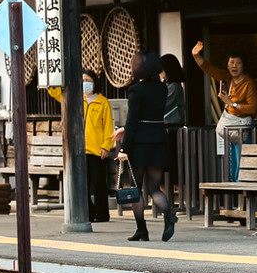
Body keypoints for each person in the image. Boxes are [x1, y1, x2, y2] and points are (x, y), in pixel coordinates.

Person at [114, 51, 174, 241]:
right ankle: (168, 215)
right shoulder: (162, 89)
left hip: (139, 144)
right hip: (158, 140)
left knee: (135, 188)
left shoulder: (135, 90)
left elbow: (133, 122)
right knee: (155, 188)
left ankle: (142, 229)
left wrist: (123, 149)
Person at [47, 69, 114, 222]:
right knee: (81, 185)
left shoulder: (102, 102)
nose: (84, 83)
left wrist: (106, 145)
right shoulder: (75, 98)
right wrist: (54, 76)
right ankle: (89, 213)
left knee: (98, 185)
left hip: (97, 150)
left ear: (94, 82)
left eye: (87, 80)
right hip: (79, 150)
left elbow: (108, 126)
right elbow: (55, 93)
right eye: (82, 80)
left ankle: (103, 215)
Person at [191, 41, 257, 180]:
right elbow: (207, 68)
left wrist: (232, 104)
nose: (234, 66)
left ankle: (243, 201)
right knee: (233, 169)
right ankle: (238, 199)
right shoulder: (226, 77)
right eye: (232, 62)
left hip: (243, 130)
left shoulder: (249, 83)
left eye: (238, 63)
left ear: (244, 66)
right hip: (231, 130)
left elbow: (253, 108)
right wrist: (195, 54)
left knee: (244, 167)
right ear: (227, 65)